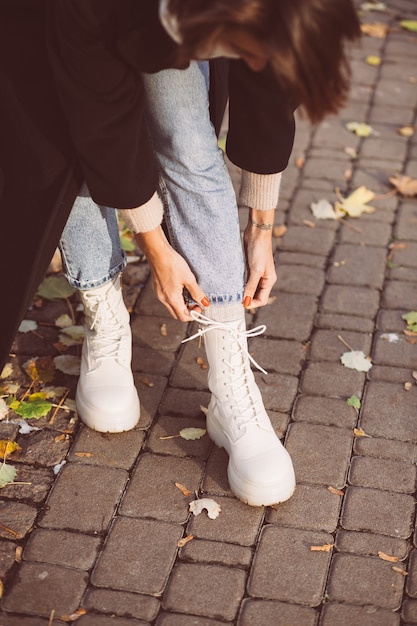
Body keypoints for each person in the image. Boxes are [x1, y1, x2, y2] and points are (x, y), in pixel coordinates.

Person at [0, 0, 360, 506]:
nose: (252, 67)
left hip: (174, 16)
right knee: (70, 146)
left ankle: (231, 388)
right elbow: (102, 124)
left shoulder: (276, 19)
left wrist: (262, 225)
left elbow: (270, 93)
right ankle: (105, 319)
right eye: (252, 54)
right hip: (56, 17)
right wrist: (156, 244)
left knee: (190, 142)